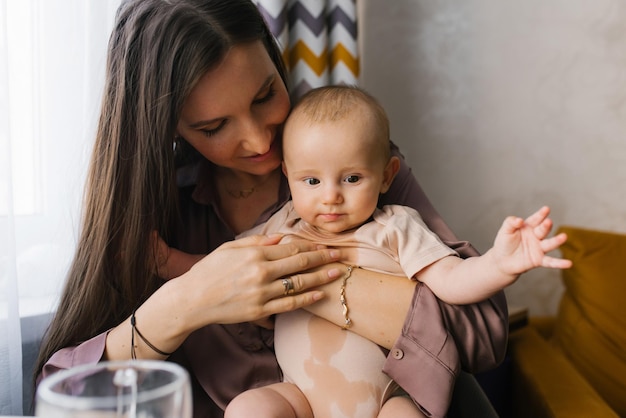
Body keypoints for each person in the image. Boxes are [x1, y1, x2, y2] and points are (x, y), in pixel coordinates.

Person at [34, 1, 511, 417]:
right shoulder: (155, 210)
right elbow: (59, 393)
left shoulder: (350, 165)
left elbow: (482, 333)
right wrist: (184, 302)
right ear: (170, 127)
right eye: (215, 126)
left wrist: (304, 284)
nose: (261, 139)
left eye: (265, 95)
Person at [166, 85, 566, 418]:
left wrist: (499, 263)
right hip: (299, 399)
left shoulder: (394, 226)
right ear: (289, 177)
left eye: (352, 178)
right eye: (311, 180)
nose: (331, 197)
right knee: (249, 408)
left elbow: (452, 281)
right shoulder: (282, 225)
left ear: (387, 175)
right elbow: (221, 274)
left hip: (385, 400)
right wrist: (165, 262)